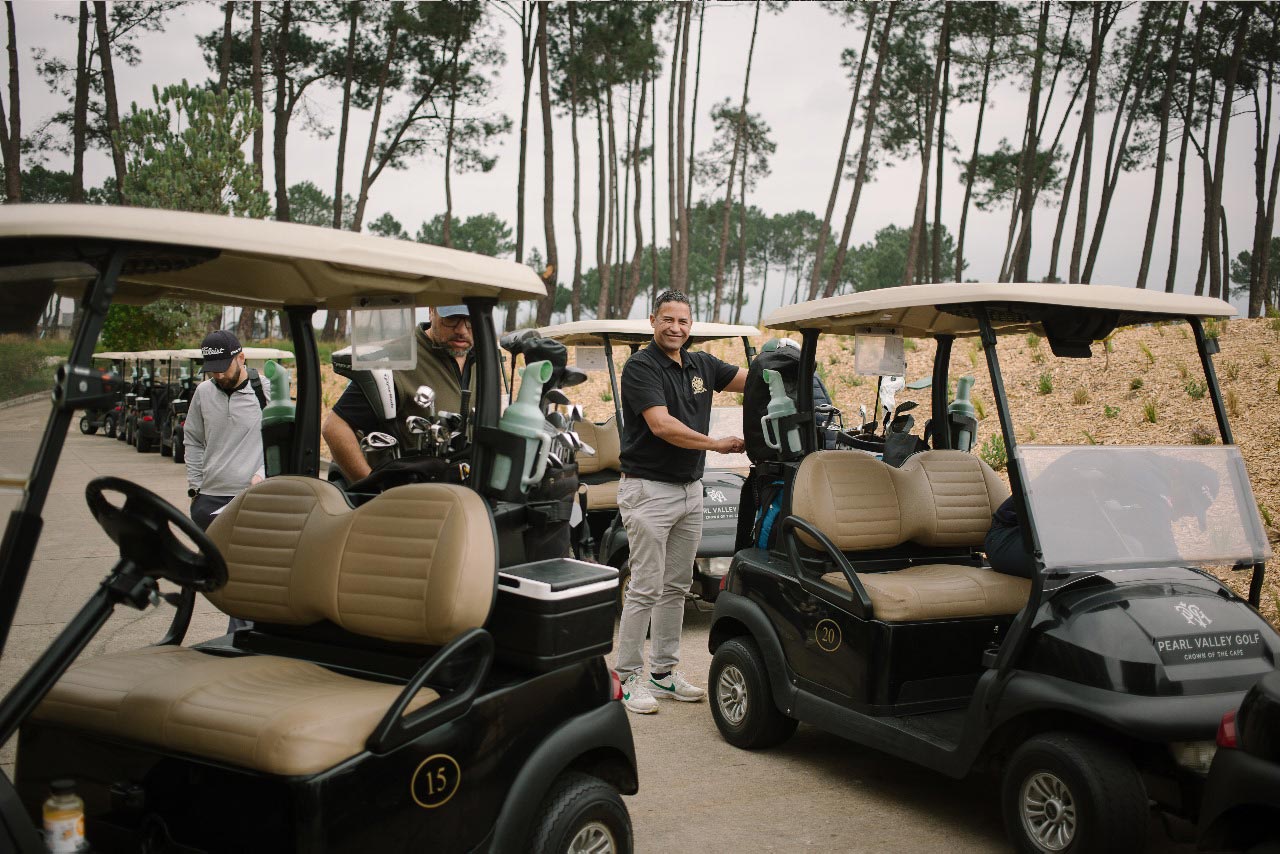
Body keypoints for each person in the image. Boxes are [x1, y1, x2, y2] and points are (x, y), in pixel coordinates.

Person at [615, 290, 748, 715]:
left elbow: (752, 380)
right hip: (648, 490)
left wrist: (790, 365)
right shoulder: (641, 366)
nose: (676, 328)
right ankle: (627, 676)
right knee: (645, 586)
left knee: (676, 586)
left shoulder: (701, 364)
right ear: (653, 320)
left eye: (683, 321)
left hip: (690, 490)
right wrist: (716, 444)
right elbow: (662, 425)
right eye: (668, 319)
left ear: (692, 325)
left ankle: (663, 671)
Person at [322, 305, 474, 481]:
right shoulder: (395, 358)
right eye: (451, 319)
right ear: (432, 311)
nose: (461, 330)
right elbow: (335, 428)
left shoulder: (486, 359)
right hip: (411, 492)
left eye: (470, 321)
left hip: (467, 488)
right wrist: (372, 486)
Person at [185, 330, 270, 531]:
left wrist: (263, 475)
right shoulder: (203, 392)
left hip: (252, 493)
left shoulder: (265, 389)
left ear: (241, 358)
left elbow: (283, 441)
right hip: (209, 496)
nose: (219, 375)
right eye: (213, 370)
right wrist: (196, 487)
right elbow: (193, 439)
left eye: (224, 368)